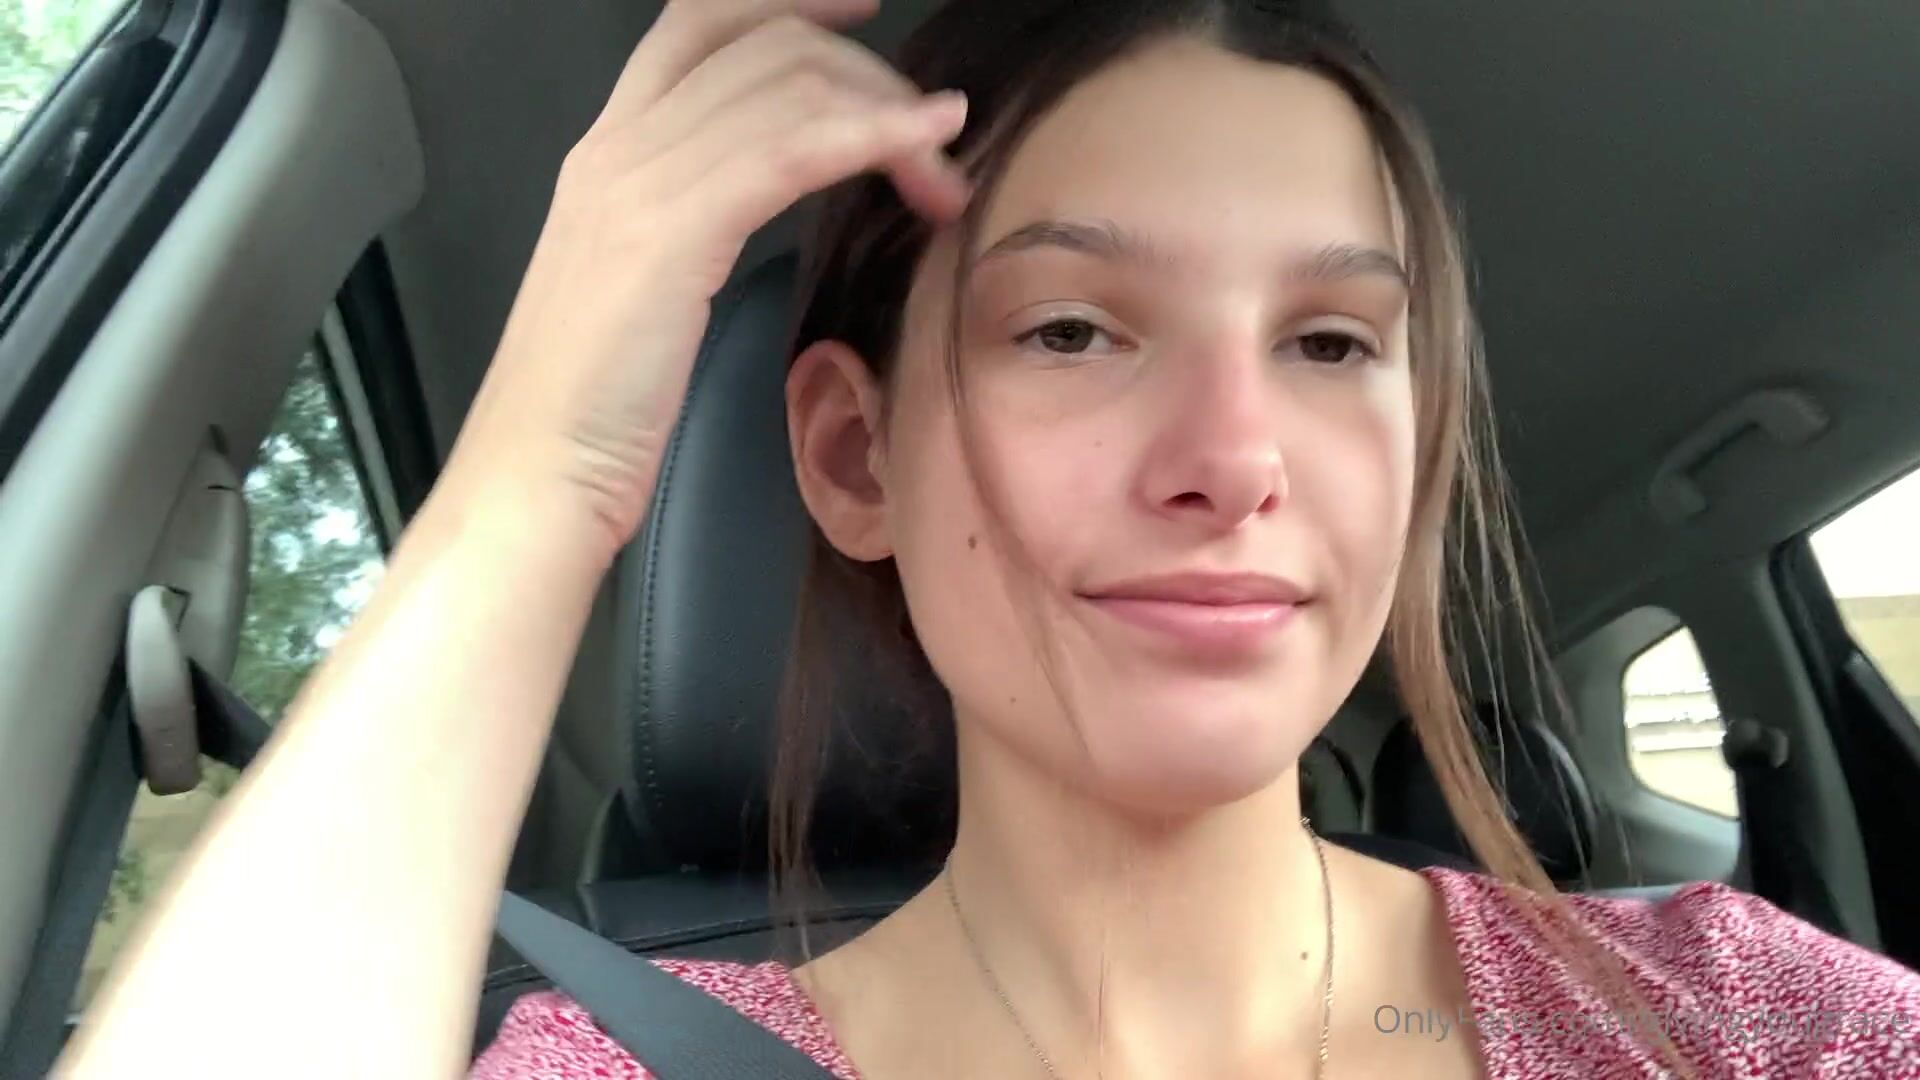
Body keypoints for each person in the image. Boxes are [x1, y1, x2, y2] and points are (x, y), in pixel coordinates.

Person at [59, 0, 1920, 1077]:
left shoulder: (1737, 1023)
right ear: (854, 455)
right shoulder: (620, 1064)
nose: (1233, 460)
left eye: (1334, 344)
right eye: (1074, 331)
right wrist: (536, 472)